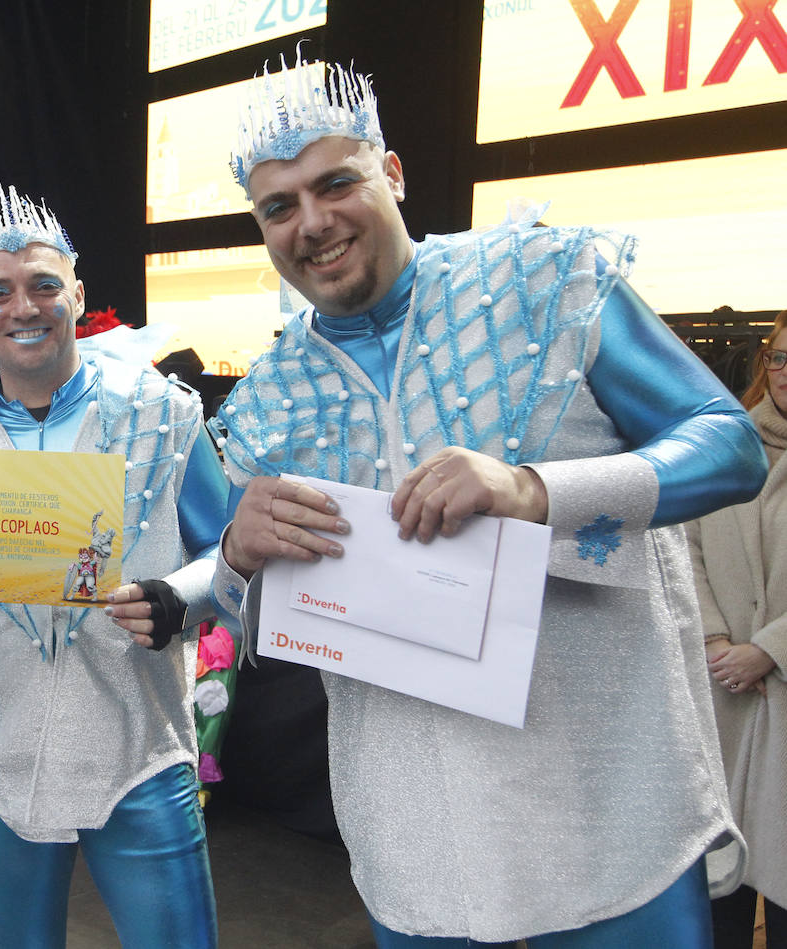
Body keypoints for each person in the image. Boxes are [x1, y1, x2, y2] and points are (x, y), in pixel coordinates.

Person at [213, 57, 769, 946]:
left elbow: (730, 446)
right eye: (279, 206)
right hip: (416, 849)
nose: (312, 222)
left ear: (392, 174)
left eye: (336, 184)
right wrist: (238, 553)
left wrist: (534, 488)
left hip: (607, 818)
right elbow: (245, 609)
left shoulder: (542, 284)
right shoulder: (273, 397)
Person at [0, 184, 228, 948]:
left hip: (139, 748)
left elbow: (230, 555)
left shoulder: (163, 414)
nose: (21, 307)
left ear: (78, 295)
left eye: (43, 286)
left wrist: (177, 598)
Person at [688, 308, 787, 949]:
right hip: (720, 700)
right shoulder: (727, 447)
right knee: (716, 896)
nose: (785, 373)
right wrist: (715, 640)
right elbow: (682, 547)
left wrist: (770, 650)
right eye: (779, 358)